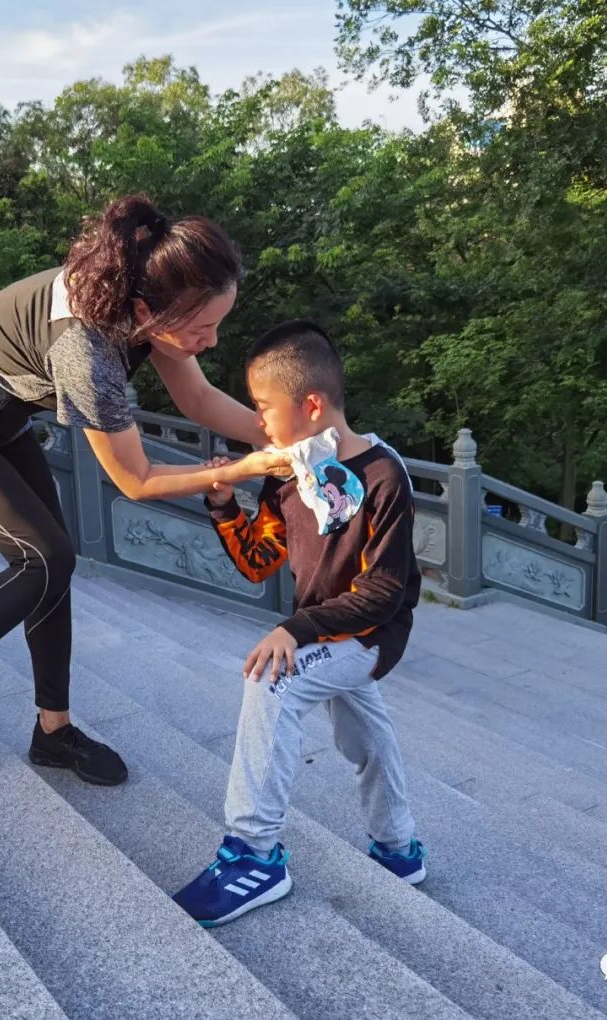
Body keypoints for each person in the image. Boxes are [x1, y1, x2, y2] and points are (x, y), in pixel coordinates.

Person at [0, 194, 291, 782]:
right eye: (203, 328)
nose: (212, 341)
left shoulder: (142, 302)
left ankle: (53, 731)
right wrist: (243, 470)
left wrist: (284, 437)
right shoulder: (85, 349)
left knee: (54, 563)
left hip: (0, 415)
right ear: (150, 310)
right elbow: (136, 479)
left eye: (217, 324)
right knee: (43, 559)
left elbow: (196, 399)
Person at [172, 320, 426, 928]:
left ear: (311, 405)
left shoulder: (384, 475)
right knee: (366, 735)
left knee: (272, 681)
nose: (258, 423)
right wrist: (222, 503)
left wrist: (297, 629)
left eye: (264, 408)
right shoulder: (287, 475)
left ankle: (253, 856)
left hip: (370, 634)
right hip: (324, 631)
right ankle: (399, 849)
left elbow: (385, 591)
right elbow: (259, 560)